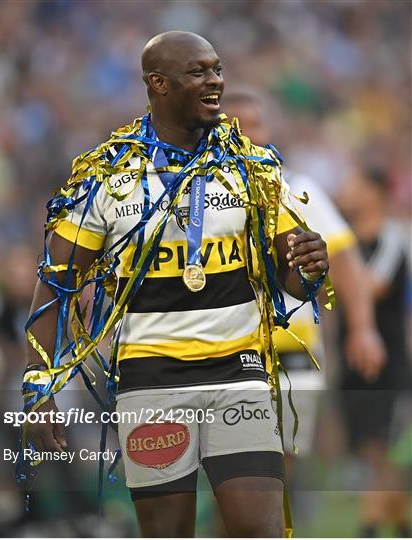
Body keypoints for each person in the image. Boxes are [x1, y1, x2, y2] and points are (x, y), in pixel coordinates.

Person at [22, 32, 331, 538]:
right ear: (159, 84)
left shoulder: (252, 167)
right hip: (152, 385)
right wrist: (38, 388)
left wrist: (312, 267)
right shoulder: (106, 176)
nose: (216, 82)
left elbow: (292, 285)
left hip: (239, 376)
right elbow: (55, 287)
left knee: (261, 530)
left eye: (217, 68)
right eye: (199, 72)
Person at [222, 90, 385, 470]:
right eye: (239, 127)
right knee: (230, 466)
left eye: (259, 125)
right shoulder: (195, 196)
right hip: (225, 348)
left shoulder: (294, 185)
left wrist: (363, 328)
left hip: (292, 346)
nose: (253, 135)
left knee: (282, 463)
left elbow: (344, 261)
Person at [336, 165, 411, 538]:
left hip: (387, 364)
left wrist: (337, 275)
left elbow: (371, 287)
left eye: (352, 183)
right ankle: (397, 527)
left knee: (381, 449)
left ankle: (370, 529)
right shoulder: (342, 242)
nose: (343, 191)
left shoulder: (392, 239)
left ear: (373, 193)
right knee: (369, 450)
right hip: (350, 361)